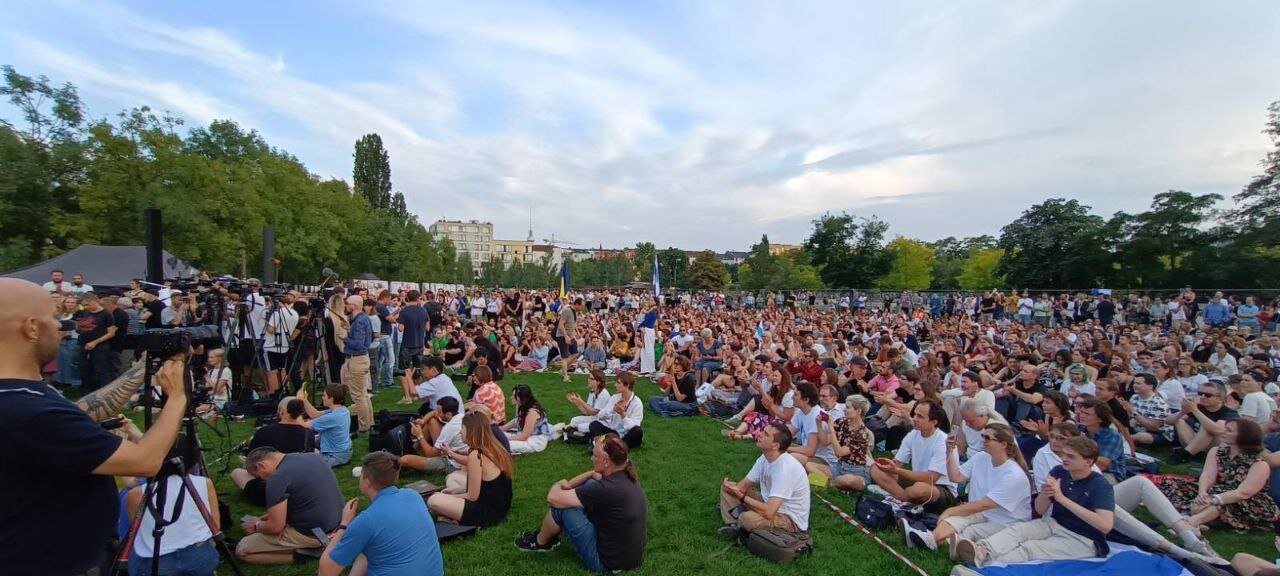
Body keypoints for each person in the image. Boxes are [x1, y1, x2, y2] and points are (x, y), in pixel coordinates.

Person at [0, 277, 190, 576]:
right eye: (53, 317)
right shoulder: (27, 411)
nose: (62, 326)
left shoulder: (21, 396)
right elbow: (145, 461)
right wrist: (177, 397)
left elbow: (76, 414)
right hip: (47, 562)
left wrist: (140, 370)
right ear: (32, 327)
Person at [954, 437, 1115, 568]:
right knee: (1018, 531)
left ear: (1088, 461)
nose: (1064, 459)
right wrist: (1046, 493)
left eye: (1071, 456)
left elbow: (1105, 525)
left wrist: (1061, 498)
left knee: (1030, 548)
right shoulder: (1059, 472)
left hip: (1084, 539)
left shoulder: (1100, 485)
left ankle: (985, 567)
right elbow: (1040, 509)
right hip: (1054, 523)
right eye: (1064, 454)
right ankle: (981, 551)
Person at [514, 433, 647, 573]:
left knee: (563, 507)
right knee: (589, 483)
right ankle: (549, 534)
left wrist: (560, 483)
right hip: (629, 558)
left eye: (595, 456)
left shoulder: (606, 488)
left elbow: (553, 497)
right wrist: (589, 474)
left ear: (606, 462)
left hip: (605, 563)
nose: (591, 458)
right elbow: (594, 478)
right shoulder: (625, 475)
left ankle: (540, 542)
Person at [901, 423, 1032, 553]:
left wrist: (951, 510)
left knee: (967, 529)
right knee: (953, 521)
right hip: (982, 513)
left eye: (987, 438)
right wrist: (949, 451)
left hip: (1005, 522)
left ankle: (932, 540)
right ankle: (930, 539)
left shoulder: (1014, 475)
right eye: (982, 436)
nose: (983, 440)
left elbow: (985, 504)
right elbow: (956, 477)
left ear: (1003, 444)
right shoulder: (981, 457)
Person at [319, 451, 444, 576]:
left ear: (367, 481)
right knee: (368, 544)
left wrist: (344, 524)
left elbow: (326, 572)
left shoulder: (367, 520)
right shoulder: (413, 495)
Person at [1158, 419, 1279, 532]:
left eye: (1229, 430)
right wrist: (1202, 494)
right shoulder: (1216, 452)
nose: (1223, 432)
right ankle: (1197, 518)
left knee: (1224, 504)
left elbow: (1243, 493)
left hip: (1245, 501)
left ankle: (1191, 522)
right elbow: (1207, 476)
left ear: (1244, 436)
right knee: (1171, 483)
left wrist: (1213, 499)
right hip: (1216, 491)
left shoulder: (1259, 464)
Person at [236, 447, 344, 565]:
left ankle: (305, 554)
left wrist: (257, 526)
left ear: (261, 465)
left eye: (258, 477)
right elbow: (301, 501)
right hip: (338, 526)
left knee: (242, 549)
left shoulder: (277, 478)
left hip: (312, 535)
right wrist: (262, 519)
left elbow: (275, 527)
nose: (262, 480)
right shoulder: (314, 457)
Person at [124, 455, 220, 576]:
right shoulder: (205, 483)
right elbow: (215, 528)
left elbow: (137, 534)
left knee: (133, 553)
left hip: (157, 563)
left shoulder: (135, 494)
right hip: (202, 558)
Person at [717, 422, 811, 538]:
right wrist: (733, 490)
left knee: (747, 518)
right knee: (729, 487)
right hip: (768, 503)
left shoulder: (785, 469)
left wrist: (741, 497)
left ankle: (738, 518)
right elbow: (744, 484)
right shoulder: (765, 458)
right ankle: (734, 525)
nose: (760, 434)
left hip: (788, 519)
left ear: (775, 446)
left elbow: (769, 512)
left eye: (766, 434)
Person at [426, 411, 514, 527]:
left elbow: (472, 497)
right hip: (500, 505)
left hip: (487, 512)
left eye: (462, 429)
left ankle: (449, 517)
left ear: (471, 431)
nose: (460, 432)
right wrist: (457, 491)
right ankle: (447, 516)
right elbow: (486, 487)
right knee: (452, 478)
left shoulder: (476, 455)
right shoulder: (493, 447)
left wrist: (450, 496)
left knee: (433, 501)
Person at [869, 400, 958, 513]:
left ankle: (897, 497)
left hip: (940, 488)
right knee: (875, 468)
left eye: (920, 416)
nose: (914, 418)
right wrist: (888, 466)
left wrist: (896, 470)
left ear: (934, 422)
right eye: (914, 414)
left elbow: (931, 478)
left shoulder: (942, 442)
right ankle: (903, 498)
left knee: (918, 489)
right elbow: (897, 463)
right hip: (917, 480)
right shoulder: (913, 435)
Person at [230, 397, 317, 505]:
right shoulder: (309, 434)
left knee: (236, 472)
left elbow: (251, 465)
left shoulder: (264, 432)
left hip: (271, 490)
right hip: (301, 489)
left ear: (281, 411)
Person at [806, 393, 875, 491]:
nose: (844, 410)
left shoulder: (861, 433)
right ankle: (830, 484)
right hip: (839, 467)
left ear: (859, 411)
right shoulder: (842, 422)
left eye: (848, 407)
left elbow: (839, 452)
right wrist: (819, 425)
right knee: (809, 465)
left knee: (848, 480)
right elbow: (825, 442)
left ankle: (825, 483)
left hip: (857, 471)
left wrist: (831, 427)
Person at [401, 396, 465, 473]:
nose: (437, 413)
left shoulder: (449, 428)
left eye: (439, 412)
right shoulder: (461, 416)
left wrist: (419, 435)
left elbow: (431, 454)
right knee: (431, 422)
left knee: (406, 459)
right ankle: (411, 450)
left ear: (448, 414)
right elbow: (434, 413)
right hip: (457, 454)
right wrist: (423, 421)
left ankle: (391, 466)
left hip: (453, 463)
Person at [297, 383, 353, 467]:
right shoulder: (343, 410)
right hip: (344, 452)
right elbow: (315, 414)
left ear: (331, 398)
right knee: (313, 441)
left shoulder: (332, 417)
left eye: (324, 395)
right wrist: (304, 400)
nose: (322, 397)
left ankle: (318, 454)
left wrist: (297, 406)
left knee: (305, 463)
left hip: (335, 456)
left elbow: (303, 425)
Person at [341, 294, 374, 433]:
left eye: (347, 303)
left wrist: (344, 338)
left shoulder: (359, 321)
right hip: (361, 359)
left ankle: (363, 427)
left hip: (357, 359)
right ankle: (369, 423)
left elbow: (359, 344)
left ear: (353, 306)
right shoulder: (363, 319)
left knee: (358, 396)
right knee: (363, 394)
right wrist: (349, 329)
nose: (345, 306)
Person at [586, 370, 644, 448]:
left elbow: (634, 426)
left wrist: (623, 415)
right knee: (594, 424)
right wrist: (613, 409)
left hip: (627, 434)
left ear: (627, 385)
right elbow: (600, 415)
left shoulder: (637, 403)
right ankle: (607, 445)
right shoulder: (615, 398)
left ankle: (609, 446)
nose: (615, 385)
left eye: (618, 383)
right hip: (614, 432)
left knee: (637, 431)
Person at [76, 292, 119, 391]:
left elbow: (111, 333)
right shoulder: (85, 312)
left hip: (100, 346)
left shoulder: (106, 314)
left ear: (94, 301)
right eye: (84, 305)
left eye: (87, 304)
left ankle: (104, 391)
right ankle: (88, 390)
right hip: (83, 343)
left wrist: (95, 342)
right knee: (85, 369)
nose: (86, 307)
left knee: (101, 370)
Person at [397, 290, 430, 403]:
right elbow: (427, 328)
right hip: (419, 343)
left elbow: (400, 328)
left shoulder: (404, 311)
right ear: (418, 298)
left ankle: (407, 397)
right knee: (417, 369)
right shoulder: (423, 310)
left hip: (407, 344)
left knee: (403, 371)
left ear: (407, 298)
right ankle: (416, 394)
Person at [562, 368, 613, 439]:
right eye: (589, 378)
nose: (588, 380)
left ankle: (580, 434)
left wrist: (580, 401)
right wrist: (577, 403)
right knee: (574, 420)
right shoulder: (592, 392)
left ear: (598, 382)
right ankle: (573, 432)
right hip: (594, 418)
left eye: (591, 379)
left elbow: (594, 412)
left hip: (603, 421)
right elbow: (587, 412)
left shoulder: (603, 394)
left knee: (582, 427)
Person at [504, 383, 555, 454]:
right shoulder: (521, 405)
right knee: (498, 435)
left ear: (521, 398)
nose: (511, 397)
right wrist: (501, 429)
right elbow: (517, 420)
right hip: (526, 434)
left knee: (504, 444)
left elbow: (524, 437)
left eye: (514, 396)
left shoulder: (532, 412)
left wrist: (504, 439)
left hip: (535, 440)